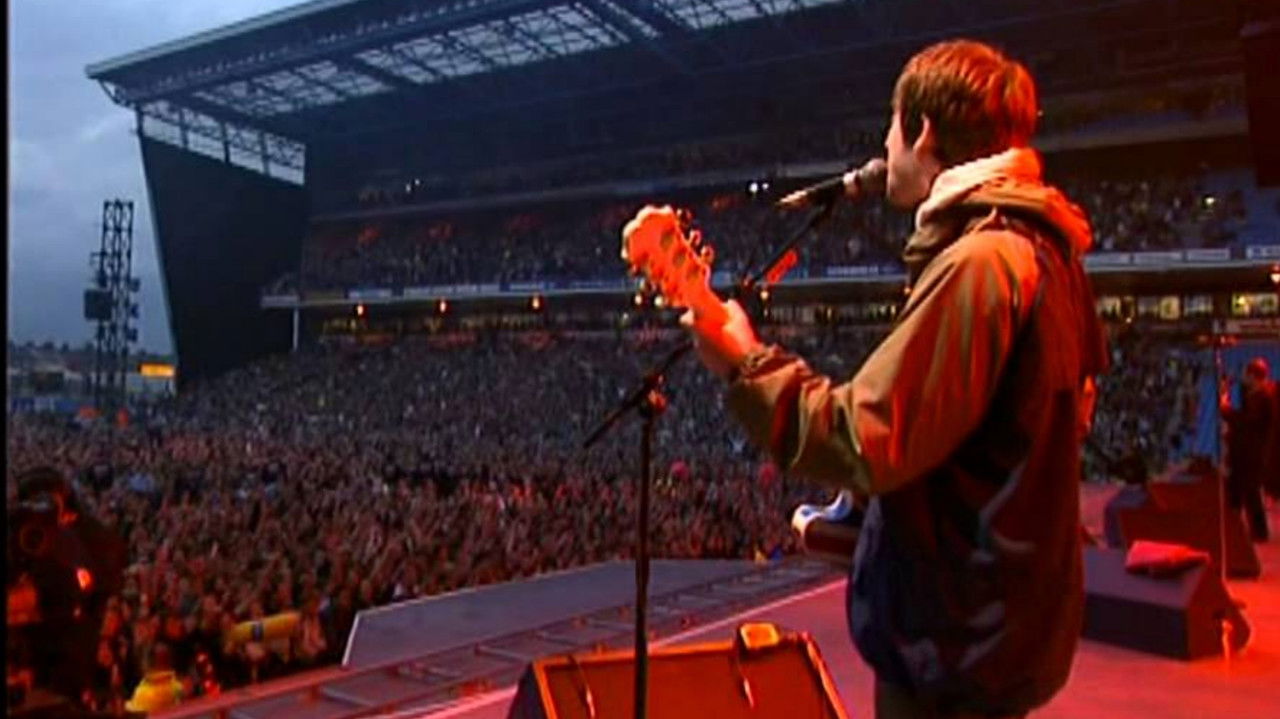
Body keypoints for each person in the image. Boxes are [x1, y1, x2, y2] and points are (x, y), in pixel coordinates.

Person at [673, 39, 1107, 718]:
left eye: (891, 125)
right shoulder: (1051, 247)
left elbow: (863, 438)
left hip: (954, 640)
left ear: (923, 132)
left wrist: (745, 361)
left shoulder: (982, 263)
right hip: (1004, 624)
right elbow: (1048, 421)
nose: (884, 145)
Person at [1220, 357, 1274, 541]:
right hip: (1246, 452)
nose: (1243, 378)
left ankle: (1259, 532)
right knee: (1237, 491)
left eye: (1246, 374)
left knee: (1251, 493)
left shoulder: (1263, 397)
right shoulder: (1255, 395)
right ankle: (1238, 529)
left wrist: (1227, 410)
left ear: (1253, 375)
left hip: (1252, 454)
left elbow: (1248, 422)